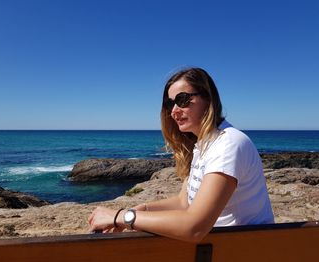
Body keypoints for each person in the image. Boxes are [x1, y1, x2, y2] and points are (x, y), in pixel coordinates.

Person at [88, 67, 274, 243]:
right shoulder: (202, 144)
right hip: (218, 247)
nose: (174, 110)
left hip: (242, 250)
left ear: (208, 99)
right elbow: (183, 202)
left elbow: (194, 227)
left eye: (183, 99)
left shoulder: (228, 144)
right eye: (170, 103)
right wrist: (140, 210)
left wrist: (121, 217)